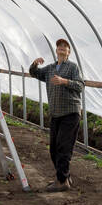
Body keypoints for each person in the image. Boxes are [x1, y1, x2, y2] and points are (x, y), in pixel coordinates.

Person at [28, 38, 84, 191]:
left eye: (65, 47)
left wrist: (64, 81)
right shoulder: (50, 68)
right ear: (56, 50)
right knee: (54, 148)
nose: (61, 48)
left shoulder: (72, 67)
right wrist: (34, 64)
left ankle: (61, 182)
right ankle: (64, 176)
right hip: (56, 113)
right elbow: (35, 74)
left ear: (68, 52)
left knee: (63, 146)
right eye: (59, 46)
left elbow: (80, 86)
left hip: (70, 112)